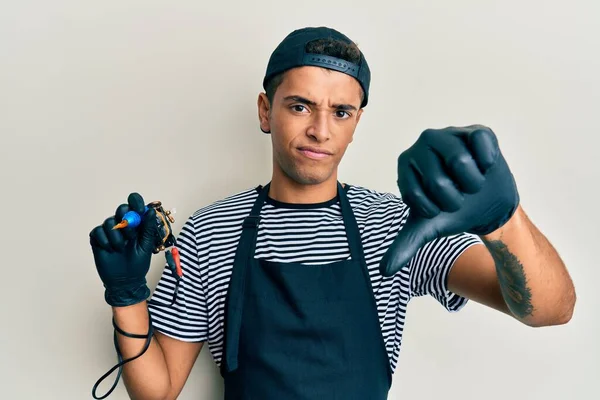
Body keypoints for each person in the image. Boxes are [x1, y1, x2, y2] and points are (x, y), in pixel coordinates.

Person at [89, 26, 576, 400]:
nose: (321, 130)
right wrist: (126, 293)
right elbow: (159, 390)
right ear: (265, 110)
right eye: (300, 107)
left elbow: (552, 311)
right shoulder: (211, 230)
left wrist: (502, 220)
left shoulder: (399, 225)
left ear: (357, 121)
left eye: (341, 112)